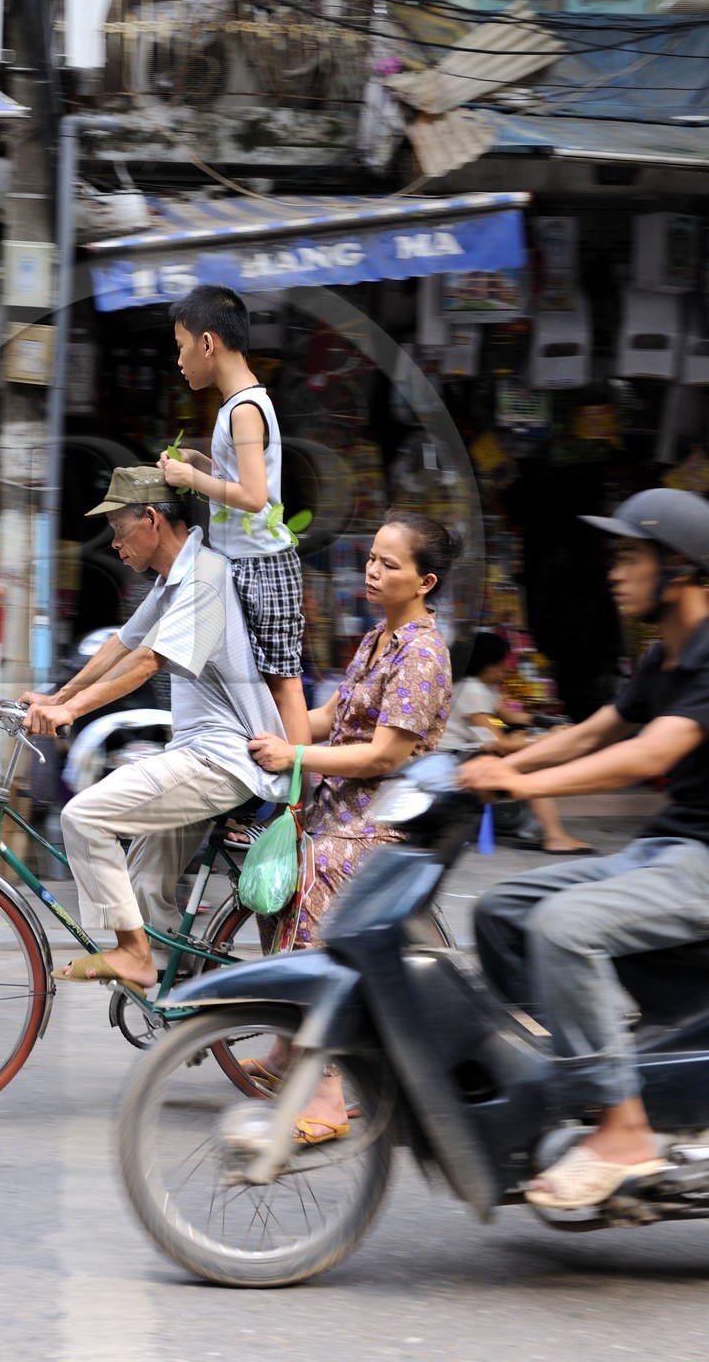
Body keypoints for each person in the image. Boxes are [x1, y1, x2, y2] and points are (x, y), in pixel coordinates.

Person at [463, 488, 709, 1211]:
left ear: (680, 568)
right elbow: (594, 732)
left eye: (631, 555)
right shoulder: (666, 657)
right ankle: (580, 1081)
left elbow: (646, 755)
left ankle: (623, 1130)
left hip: (702, 861)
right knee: (502, 911)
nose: (614, 570)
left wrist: (521, 782)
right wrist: (499, 759)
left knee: (564, 927)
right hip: (668, 849)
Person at [22, 465, 291, 992]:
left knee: (84, 816)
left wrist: (72, 712)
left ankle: (133, 954)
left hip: (223, 759)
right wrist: (57, 697)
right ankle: (183, 985)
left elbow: (148, 662)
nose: (115, 544)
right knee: (143, 881)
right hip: (198, 754)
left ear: (151, 519)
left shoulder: (205, 577)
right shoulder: (175, 579)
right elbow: (122, 643)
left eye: (119, 529)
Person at [247, 509, 458, 1141]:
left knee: (310, 889)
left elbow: (384, 756)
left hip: (382, 819)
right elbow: (331, 720)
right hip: (338, 807)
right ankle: (289, 1050)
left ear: (424, 582)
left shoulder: (423, 654)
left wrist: (295, 756)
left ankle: (329, 1093)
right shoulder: (375, 640)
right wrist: (261, 731)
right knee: (268, 882)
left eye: (389, 565)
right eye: (371, 558)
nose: (372, 571)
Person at [157, 284, 311, 751]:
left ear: (208, 343)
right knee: (254, 683)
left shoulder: (244, 409)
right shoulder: (238, 405)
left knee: (282, 685)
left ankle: (300, 790)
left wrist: (191, 475)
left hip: (263, 564)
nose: (179, 361)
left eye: (181, 347)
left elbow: (253, 496)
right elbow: (240, 481)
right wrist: (201, 465)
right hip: (246, 562)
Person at [440, 629, 591, 855]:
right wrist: (548, 737)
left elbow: (510, 716)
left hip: (468, 750)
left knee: (524, 751)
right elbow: (501, 742)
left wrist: (547, 722)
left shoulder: (485, 686)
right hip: (452, 758)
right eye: (502, 664)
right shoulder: (471, 689)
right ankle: (555, 837)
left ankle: (536, 826)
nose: (506, 669)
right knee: (531, 764)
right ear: (488, 667)